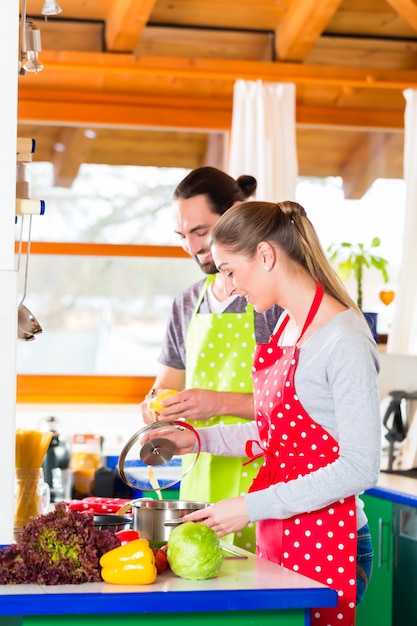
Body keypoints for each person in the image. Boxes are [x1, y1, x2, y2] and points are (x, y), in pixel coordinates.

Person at [156, 200, 381, 626]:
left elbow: (359, 467)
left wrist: (249, 506)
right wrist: (198, 438)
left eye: (229, 271)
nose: (231, 286)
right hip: (281, 532)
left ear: (265, 255)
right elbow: (276, 435)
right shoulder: (286, 327)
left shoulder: (344, 340)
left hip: (329, 539)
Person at [139, 168, 283, 552]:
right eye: (183, 236)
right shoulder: (187, 302)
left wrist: (216, 402)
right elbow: (166, 383)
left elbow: (295, 408)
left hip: (264, 484)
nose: (192, 246)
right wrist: (157, 407)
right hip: (200, 477)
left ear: (235, 212)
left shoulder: (270, 298)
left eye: (200, 231)